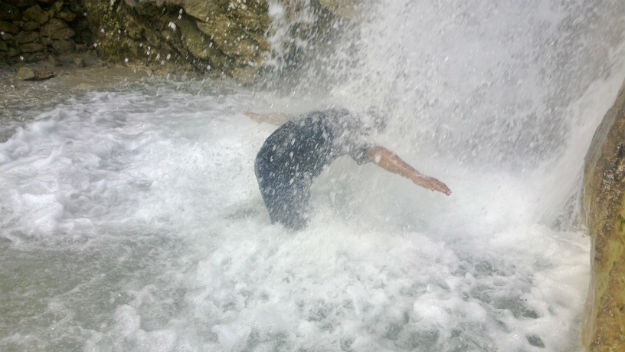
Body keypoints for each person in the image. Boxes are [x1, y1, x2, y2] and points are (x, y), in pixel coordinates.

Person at [245, 108, 451, 230]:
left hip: (272, 157)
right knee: (290, 231)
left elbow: (292, 119)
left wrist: (261, 116)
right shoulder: (350, 131)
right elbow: (376, 153)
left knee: (297, 215)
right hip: (275, 169)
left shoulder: (335, 114)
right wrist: (414, 174)